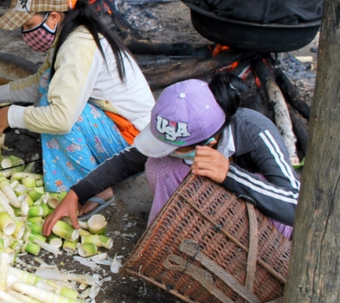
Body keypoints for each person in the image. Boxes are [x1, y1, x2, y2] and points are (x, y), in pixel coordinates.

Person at [43, 73, 299, 239]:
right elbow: (127, 161)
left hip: (260, 229)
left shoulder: (256, 132)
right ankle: (171, 237)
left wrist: (230, 174)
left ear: (210, 142)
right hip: (210, 214)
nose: (167, 149)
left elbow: (295, 206)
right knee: (158, 165)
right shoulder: (173, 122)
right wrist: (78, 192)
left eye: (176, 147)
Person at [0, 0, 155, 205]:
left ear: (54, 17)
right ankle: (91, 173)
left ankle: (91, 189)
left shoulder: (78, 46)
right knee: (49, 91)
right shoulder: (67, 33)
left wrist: (12, 115)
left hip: (134, 147)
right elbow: (41, 81)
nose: (25, 33)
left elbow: (61, 119)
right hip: (120, 133)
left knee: (54, 110)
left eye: (28, 25)